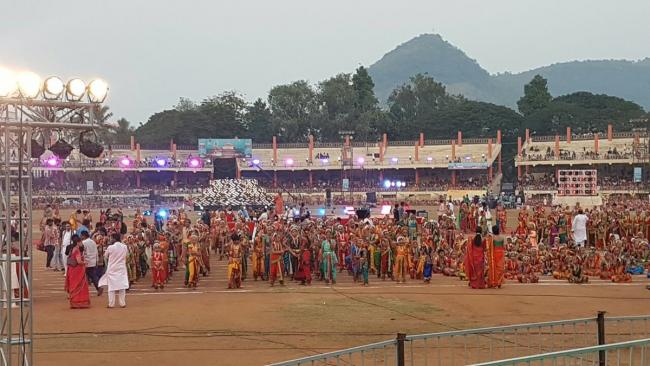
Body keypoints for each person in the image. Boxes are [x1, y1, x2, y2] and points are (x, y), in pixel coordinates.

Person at [99, 233, 129, 309]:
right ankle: (122, 303)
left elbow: (105, 256)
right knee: (122, 286)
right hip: (121, 268)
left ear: (114, 239)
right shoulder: (124, 247)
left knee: (111, 287)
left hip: (112, 268)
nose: (110, 239)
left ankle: (111, 304)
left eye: (111, 238)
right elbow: (126, 256)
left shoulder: (110, 247)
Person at [64, 235, 90, 309]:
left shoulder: (72, 249)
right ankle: (80, 302)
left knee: (73, 285)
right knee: (79, 285)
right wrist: (85, 263)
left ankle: (74, 302)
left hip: (71, 270)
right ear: (78, 242)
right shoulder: (77, 250)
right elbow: (79, 261)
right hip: (77, 270)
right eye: (81, 241)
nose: (82, 243)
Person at [81, 231, 102, 296]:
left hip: (87, 261)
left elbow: (82, 252)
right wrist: (96, 260)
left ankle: (98, 288)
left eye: (81, 236)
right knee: (92, 275)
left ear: (83, 236)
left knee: (90, 276)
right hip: (93, 261)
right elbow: (96, 252)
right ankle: (98, 287)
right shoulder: (93, 242)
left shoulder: (84, 242)